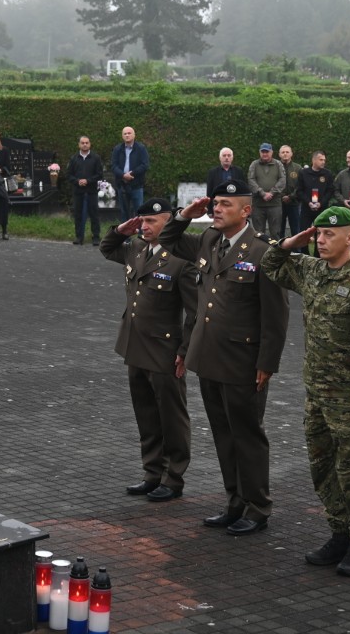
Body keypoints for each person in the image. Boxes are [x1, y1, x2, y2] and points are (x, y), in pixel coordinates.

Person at [262, 206, 350, 577]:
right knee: (322, 467)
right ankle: (338, 532)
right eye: (318, 234)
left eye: (329, 235)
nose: (321, 241)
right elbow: (270, 266)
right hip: (317, 393)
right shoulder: (312, 270)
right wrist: (289, 243)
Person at [157, 181, 290, 536]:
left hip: (243, 361)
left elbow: (276, 316)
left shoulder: (263, 251)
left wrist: (267, 363)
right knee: (223, 434)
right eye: (215, 203)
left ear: (246, 211)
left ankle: (257, 506)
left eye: (225, 204)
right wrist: (184, 216)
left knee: (247, 436)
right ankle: (235, 501)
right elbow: (167, 241)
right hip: (209, 357)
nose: (216, 209)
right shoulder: (209, 240)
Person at [100, 198, 198, 503]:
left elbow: (194, 312)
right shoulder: (136, 248)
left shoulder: (181, 259)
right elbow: (107, 249)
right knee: (146, 415)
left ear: (169, 222)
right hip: (135, 345)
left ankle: (174, 477)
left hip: (165, 350)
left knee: (172, 417)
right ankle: (152, 472)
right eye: (142, 220)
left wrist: (185, 350)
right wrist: (120, 230)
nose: (145, 226)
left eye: (152, 221)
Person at [294, 150, 335, 255]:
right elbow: (299, 191)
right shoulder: (303, 173)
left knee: (321, 233)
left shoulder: (327, 174)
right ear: (314, 160)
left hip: (322, 209)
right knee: (304, 233)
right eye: (321, 160)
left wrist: (321, 203)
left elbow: (330, 191)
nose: (323, 162)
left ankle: (318, 256)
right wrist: (308, 202)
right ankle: (305, 255)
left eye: (324, 160)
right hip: (306, 209)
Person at [67, 135, 103, 246]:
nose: (85, 145)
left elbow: (99, 174)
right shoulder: (74, 159)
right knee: (78, 215)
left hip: (91, 191)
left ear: (90, 144)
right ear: (79, 144)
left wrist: (88, 181)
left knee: (94, 215)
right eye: (82, 143)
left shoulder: (96, 158)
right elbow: (69, 175)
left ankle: (96, 237)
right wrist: (77, 181)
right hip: (78, 191)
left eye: (87, 143)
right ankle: (79, 237)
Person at [110, 126, 149, 222]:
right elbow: (114, 166)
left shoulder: (141, 148)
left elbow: (144, 165)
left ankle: (140, 231)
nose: (127, 135)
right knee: (124, 213)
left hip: (136, 185)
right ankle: (126, 232)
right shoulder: (117, 149)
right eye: (125, 134)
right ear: (122, 136)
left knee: (139, 212)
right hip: (122, 185)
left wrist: (132, 173)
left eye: (129, 133)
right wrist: (123, 175)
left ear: (134, 135)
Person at [247, 143, 285, 238]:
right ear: (260, 152)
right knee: (258, 234)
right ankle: (260, 248)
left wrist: (272, 192)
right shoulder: (254, 164)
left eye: (267, 152)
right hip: (258, 205)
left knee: (275, 233)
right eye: (263, 152)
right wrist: (262, 193)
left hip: (275, 204)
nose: (265, 154)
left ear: (271, 152)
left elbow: (282, 180)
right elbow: (251, 180)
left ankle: (275, 248)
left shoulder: (278, 164)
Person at [205, 148, 245, 216]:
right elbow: (209, 192)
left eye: (229, 155)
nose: (226, 158)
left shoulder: (239, 171)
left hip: (234, 207)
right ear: (220, 158)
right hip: (218, 206)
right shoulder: (213, 172)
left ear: (232, 158)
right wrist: (210, 211)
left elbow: (242, 191)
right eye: (224, 155)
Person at [278, 145, 302, 238]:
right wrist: (282, 196)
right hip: (278, 203)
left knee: (296, 230)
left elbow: (300, 185)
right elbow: (272, 183)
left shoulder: (297, 168)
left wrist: (291, 196)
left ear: (291, 154)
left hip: (294, 202)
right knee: (279, 229)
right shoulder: (275, 166)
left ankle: (296, 247)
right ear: (279, 154)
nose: (285, 154)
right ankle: (280, 247)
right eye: (283, 152)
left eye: (287, 152)